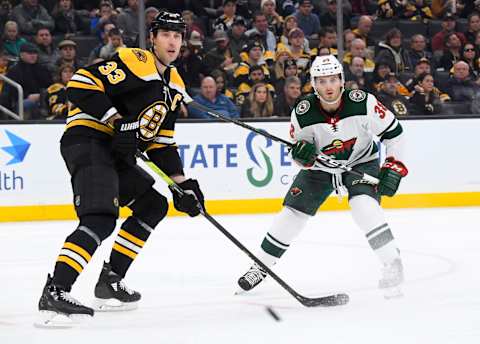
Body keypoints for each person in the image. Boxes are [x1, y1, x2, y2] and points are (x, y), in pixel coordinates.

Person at [37, 11, 206, 326]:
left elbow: (161, 144)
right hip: (88, 139)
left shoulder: (175, 85)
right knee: (100, 218)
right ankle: (56, 292)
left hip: (115, 150)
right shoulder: (135, 60)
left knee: (153, 205)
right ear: (153, 38)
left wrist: (183, 184)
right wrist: (117, 120)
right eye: (166, 34)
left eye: (178, 35)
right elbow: (79, 83)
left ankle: (109, 282)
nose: (172, 41)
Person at [237, 54, 407, 299]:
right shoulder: (303, 112)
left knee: (364, 207)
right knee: (290, 214)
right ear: (314, 85)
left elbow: (395, 132)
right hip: (321, 169)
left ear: (342, 80)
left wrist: (393, 166)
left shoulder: (363, 103)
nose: (328, 86)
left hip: (361, 162)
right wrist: (302, 157)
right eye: (321, 81)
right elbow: (299, 154)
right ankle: (261, 265)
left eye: (332, 80)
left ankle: (392, 262)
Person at [1, 42, 52, 119]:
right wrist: (27, 96)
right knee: (28, 103)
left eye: (35, 53)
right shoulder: (14, 71)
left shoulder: (43, 69)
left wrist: (42, 95)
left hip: (44, 99)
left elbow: (51, 86)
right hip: (21, 101)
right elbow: (10, 92)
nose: (33, 55)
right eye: (29, 53)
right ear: (21, 55)